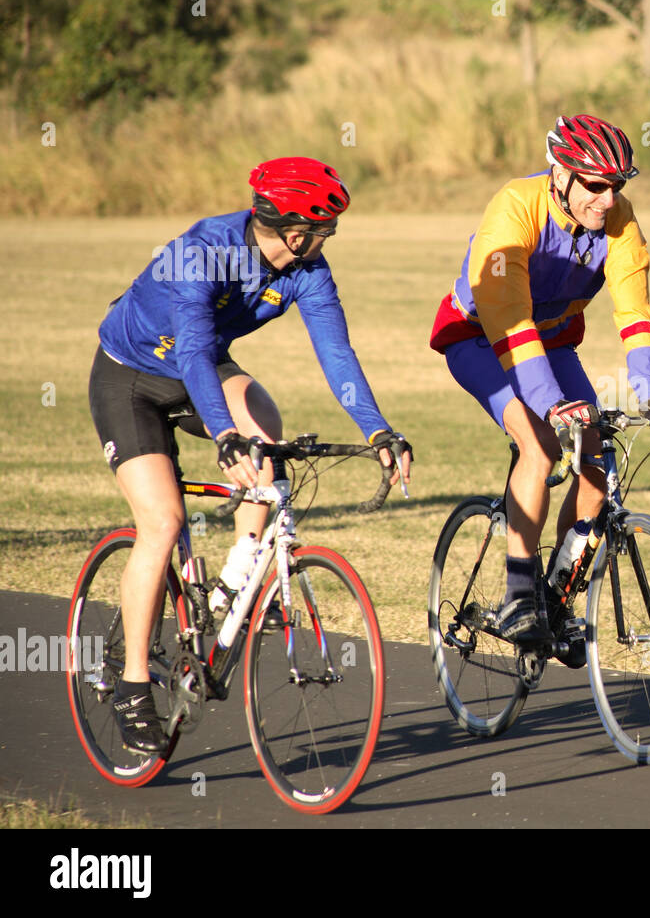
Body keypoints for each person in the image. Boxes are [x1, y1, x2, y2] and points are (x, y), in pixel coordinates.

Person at [90, 156, 413, 754]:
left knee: (267, 427)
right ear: (295, 230)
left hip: (201, 366)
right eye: (325, 229)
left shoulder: (307, 270)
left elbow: (336, 353)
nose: (328, 240)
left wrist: (378, 431)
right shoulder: (203, 249)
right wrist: (222, 434)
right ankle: (133, 682)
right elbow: (191, 348)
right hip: (131, 377)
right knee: (163, 522)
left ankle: (234, 578)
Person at [430, 114, 650, 658]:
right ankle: (519, 592)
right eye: (595, 185)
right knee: (542, 446)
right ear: (560, 175)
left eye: (617, 185)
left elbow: (633, 309)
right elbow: (509, 319)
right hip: (480, 336)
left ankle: (553, 600)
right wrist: (550, 405)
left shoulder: (617, 218)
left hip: (550, 343)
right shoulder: (515, 207)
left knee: (597, 463)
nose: (606, 198)